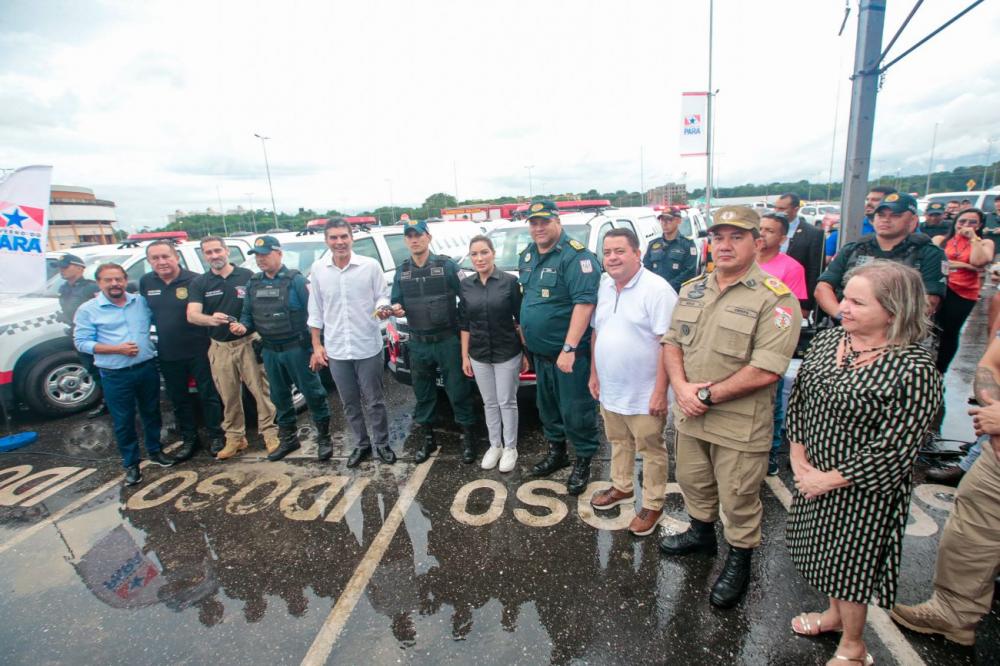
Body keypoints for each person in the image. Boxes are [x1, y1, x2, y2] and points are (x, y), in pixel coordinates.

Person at [786, 261, 942, 666]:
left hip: (863, 490)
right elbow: (800, 398)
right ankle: (834, 616)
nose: (843, 307)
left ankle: (854, 646)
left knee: (849, 568)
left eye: (858, 302)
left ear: (893, 311)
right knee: (824, 555)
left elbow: (895, 448)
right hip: (813, 474)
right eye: (845, 298)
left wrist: (828, 480)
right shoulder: (829, 340)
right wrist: (798, 456)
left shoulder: (914, 369)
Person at [658, 206, 801, 609]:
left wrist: (705, 396)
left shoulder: (776, 298)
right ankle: (701, 535)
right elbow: (672, 342)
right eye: (718, 237)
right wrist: (681, 388)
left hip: (739, 423)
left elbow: (767, 368)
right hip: (691, 414)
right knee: (693, 482)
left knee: (738, 498)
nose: (725, 245)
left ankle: (739, 560)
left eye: (736, 237)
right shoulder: (693, 289)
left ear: (757, 242)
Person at [890, 334, 1000, 647]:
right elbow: (990, 363)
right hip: (994, 459)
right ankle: (953, 613)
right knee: (969, 536)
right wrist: (993, 408)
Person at [588, 228, 675, 536]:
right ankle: (622, 487)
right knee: (618, 441)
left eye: (620, 251)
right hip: (611, 387)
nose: (612, 257)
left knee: (651, 449)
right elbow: (598, 331)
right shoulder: (604, 285)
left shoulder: (658, 290)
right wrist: (595, 373)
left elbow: (669, 344)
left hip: (645, 392)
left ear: (637, 254)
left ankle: (652, 504)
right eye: (607, 252)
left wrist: (660, 391)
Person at [518, 200, 603, 495]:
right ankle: (557, 453)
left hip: (568, 356)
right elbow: (530, 298)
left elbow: (585, 304)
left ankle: (583, 461)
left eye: (544, 221)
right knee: (548, 409)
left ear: (558, 221)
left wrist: (569, 348)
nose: (538, 227)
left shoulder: (576, 257)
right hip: (541, 354)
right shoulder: (528, 255)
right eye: (533, 222)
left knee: (576, 411)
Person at [229, 235, 332, 462]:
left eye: (265, 254)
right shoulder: (253, 283)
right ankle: (288, 439)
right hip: (270, 351)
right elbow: (247, 315)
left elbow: (315, 315)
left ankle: (324, 438)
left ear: (279, 253)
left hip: (297, 349)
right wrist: (242, 327)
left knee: (313, 394)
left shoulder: (296, 281)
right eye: (257, 256)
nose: (260, 259)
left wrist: (316, 347)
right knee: (279, 397)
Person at [74, 263, 177, 485]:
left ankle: (155, 451)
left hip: (146, 368)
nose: (114, 284)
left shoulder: (140, 302)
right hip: (115, 374)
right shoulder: (88, 310)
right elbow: (81, 343)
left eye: (118, 279)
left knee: (152, 413)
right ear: (99, 282)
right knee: (123, 421)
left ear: (125, 280)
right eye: (108, 280)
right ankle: (131, 464)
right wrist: (116, 349)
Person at [389, 219, 477, 464]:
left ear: (428, 237)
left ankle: (468, 438)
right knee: (423, 392)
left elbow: (467, 297)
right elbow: (397, 301)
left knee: (458, 390)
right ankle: (428, 439)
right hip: (418, 342)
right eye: (409, 236)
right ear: (406, 240)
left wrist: (463, 328)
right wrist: (396, 308)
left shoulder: (447, 266)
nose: (414, 240)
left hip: (447, 341)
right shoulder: (402, 271)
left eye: (418, 235)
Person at [308, 219, 395, 467]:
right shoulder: (319, 269)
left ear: (351, 238)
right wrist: (317, 345)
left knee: (375, 401)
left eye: (343, 236)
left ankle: (382, 443)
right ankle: (361, 444)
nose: (339, 242)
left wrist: (383, 309)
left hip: (367, 345)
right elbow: (315, 309)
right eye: (334, 237)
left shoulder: (369, 266)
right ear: (326, 240)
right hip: (337, 349)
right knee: (349, 402)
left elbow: (381, 297)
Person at [187, 236, 279, 459]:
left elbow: (262, 307)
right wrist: (211, 319)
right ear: (204, 255)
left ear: (226, 251)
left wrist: (248, 327)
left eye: (217, 250)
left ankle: (270, 434)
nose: (214, 256)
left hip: (248, 344)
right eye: (209, 252)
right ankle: (235, 438)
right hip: (220, 347)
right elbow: (192, 315)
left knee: (262, 392)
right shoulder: (200, 283)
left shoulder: (247, 276)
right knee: (228, 396)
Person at [140, 240, 224, 460]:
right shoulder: (146, 282)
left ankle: (216, 436)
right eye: (155, 258)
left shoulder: (195, 280)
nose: (161, 262)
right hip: (168, 352)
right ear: (149, 261)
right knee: (179, 400)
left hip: (200, 349)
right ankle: (189, 439)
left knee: (209, 396)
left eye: (165, 256)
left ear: (176, 257)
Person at [815, 193, 946, 319]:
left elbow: (930, 301)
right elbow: (823, 288)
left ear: (913, 221)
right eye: (881, 215)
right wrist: (842, 316)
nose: (886, 219)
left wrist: (884, 325)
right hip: (849, 325)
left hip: (900, 329)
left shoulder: (929, 254)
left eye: (895, 215)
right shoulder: (852, 250)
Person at [459, 235, 527, 473]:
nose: (479, 258)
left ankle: (510, 447)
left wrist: (525, 353)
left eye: (484, 252)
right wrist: (464, 356)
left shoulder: (510, 282)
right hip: (478, 353)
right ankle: (494, 445)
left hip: (507, 351)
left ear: (493, 253)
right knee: (489, 402)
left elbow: (520, 320)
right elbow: (465, 324)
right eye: (474, 254)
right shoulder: (466, 285)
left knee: (507, 401)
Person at [756, 212, 809, 476]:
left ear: (783, 238)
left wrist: (771, 337)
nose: (762, 234)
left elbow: (796, 311)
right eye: (760, 228)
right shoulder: (743, 263)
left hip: (770, 344)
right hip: (739, 344)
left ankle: (771, 453)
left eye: (770, 230)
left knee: (772, 402)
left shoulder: (791, 268)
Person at [931, 208, 994, 375]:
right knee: (931, 328)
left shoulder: (985, 243)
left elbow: (978, 261)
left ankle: (940, 370)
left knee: (950, 331)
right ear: (955, 222)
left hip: (964, 292)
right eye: (962, 221)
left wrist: (973, 238)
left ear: (979, 225)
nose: (966, 225)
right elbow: (934, 261)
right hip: (941, 287)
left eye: (972, 222)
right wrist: (966, 266)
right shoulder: (940, 240)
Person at [55, 253, 105, 418]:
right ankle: (106, 401)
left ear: (79, 268)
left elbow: (103, 310)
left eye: (65, 267)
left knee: (104, 370)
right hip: (77, 333)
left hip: (95, 335)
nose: (62, 270)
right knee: (91, 369)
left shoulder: (91, 288)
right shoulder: (64, 289)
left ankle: (114, 401)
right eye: (60, 268)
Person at [773, 193, 823, 314]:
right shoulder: (767, 228)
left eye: (782, 209)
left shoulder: (813, 233)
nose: (777, 212)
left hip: (795, 294)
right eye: (776, 208)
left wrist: (806, 306)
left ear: (795, 209)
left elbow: (814, 271)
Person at [823, 186, 894, 257]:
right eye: (867, 199)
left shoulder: (896, 231)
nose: (868, 203)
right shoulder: (851, 228)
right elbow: (825, 258)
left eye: (875, 200)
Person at [642, 208, 697, 293]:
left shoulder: (687, 245)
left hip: (676, 293)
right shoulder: (653, 244)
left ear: (678, 221)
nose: (664, 223)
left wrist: (667, 287)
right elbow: (646, 269)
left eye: (669, 219)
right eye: (662, 220)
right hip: (655, 292)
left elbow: (689, 272)